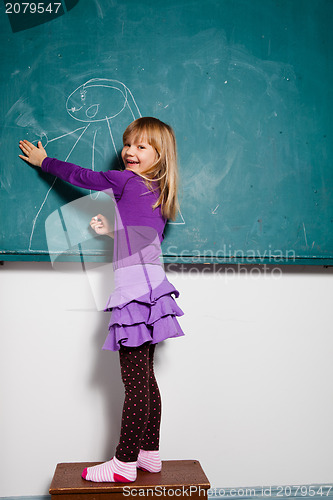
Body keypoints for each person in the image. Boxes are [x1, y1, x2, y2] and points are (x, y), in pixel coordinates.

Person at [19, 117, 185, 484]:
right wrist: (112, 230)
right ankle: (149, 454)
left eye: (141, 146)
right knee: (146, 379)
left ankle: (123, 463)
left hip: (134, 291)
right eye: (129, 144)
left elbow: (82, 177)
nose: (129, 152)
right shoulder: (158, 191)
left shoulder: (124, 180)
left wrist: (44, 162)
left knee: (136, 383)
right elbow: (142, 239)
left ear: (160, 154)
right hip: (153, 286)